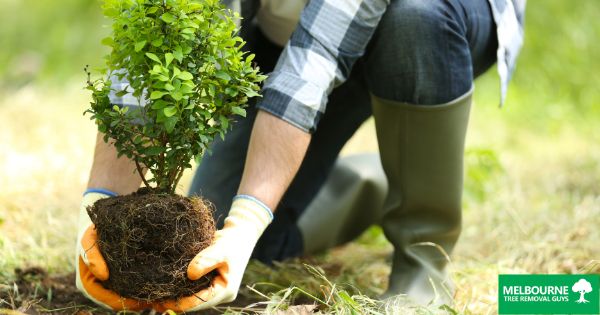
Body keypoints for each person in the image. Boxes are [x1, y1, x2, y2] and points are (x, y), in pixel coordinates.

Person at [75, 0, 526, 311]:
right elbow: (168, 26)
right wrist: (97, 209)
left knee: (415, 19)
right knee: (223, 248)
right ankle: (378, 182)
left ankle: (422, 259)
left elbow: (314, 61)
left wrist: (247, 218)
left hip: (432, 23)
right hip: (280, 27)